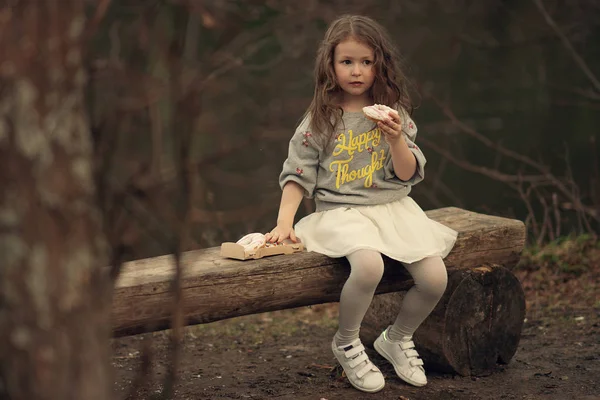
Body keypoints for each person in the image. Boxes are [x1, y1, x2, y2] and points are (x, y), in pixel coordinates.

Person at [265, 14, 457, 394]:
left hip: (392, 209)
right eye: (347, 62)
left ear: (379, 65)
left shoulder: (393, 114)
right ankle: (347, 342)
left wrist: (395, 140)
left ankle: (397, 338)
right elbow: (297, 174)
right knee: (368, 266)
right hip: (340, 212)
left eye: (366, 62)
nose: (356, 71)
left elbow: (406, 175)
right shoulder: (320, 119)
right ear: (330, 65)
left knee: (435, 278)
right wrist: (284, 222)